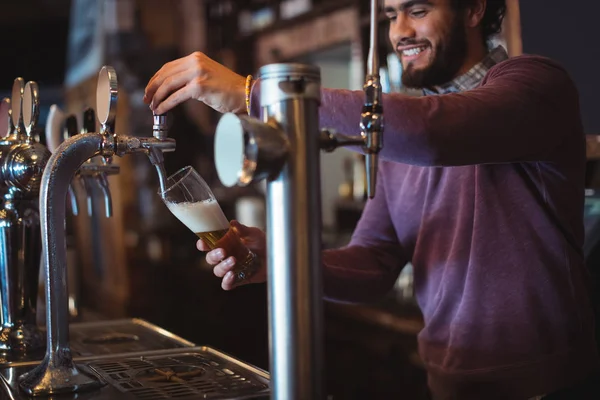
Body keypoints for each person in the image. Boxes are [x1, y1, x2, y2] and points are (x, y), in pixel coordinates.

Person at [144, 0, 600, 398]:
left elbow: (435, 132)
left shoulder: (536, 86)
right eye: (390, 15)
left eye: (419, 11)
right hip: (447, 385)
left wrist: (254, 94)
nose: (400, 31)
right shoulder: (399, 136)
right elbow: (373, 264)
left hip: (549, 385)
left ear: (474, 9)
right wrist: (283, 261)